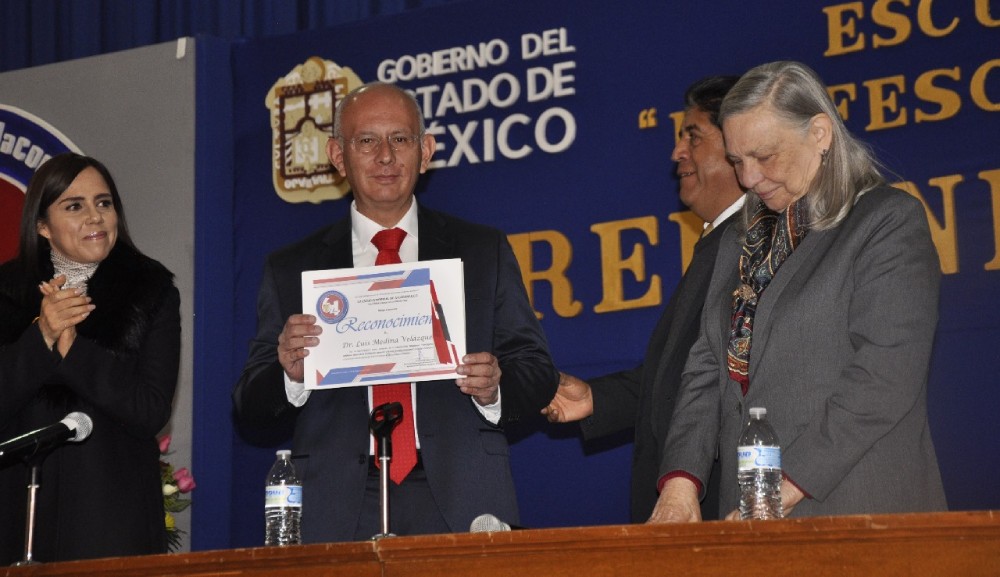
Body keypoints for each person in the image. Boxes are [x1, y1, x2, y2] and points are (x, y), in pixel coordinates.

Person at [233, 82, 559, 542]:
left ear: (425, 152)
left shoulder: (481, 250)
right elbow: (249, 407)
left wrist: (496, 387)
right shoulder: (292, 268)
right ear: (338, 156)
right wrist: (290, 373)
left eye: (400, 139)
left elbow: (538, 370)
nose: (385, 156)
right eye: (366, 141)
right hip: (337, 501)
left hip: (460, 494)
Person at [650, 61, 947, 523]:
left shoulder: (885, 222)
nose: (748, 178)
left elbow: (883, 378)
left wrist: (780, 489)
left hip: (858, 509)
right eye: (736, 160)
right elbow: (706, 370)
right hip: (749, 516)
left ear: (820, 133)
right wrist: (680, 485)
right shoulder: (736, 240)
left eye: (765, 156)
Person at [541, 76, 745, 522]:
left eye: (692, 136)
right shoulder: (718, 243)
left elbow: (717, 381)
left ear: (740, 144)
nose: (676, 153)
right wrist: (596, 397)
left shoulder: (755, 246)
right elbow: (685, 371)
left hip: (724, 508)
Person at [0, 153, 180, 563]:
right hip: (16, 517)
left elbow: (151, 410)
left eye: (104, 203)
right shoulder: (5, 293)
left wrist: (73, 349)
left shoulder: (151, 291)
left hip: (112, 521)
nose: (95, 217)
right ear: (42, 225)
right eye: (74, 206)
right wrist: (41, 336)